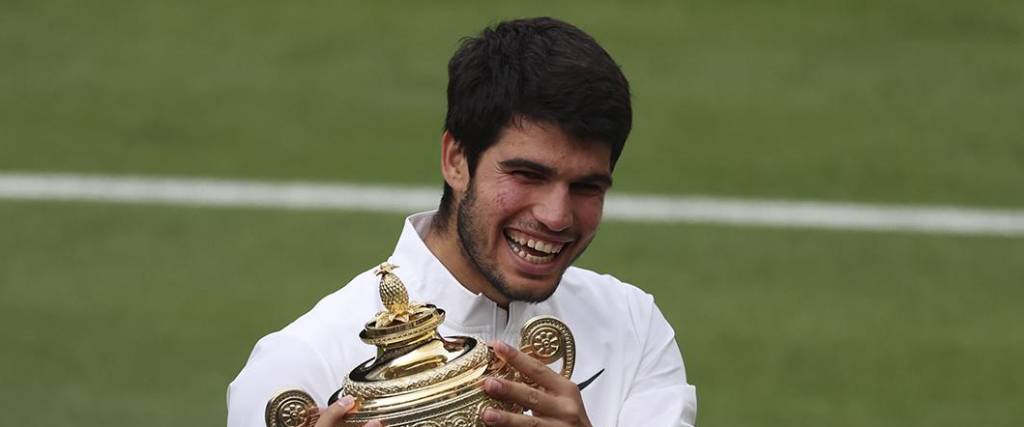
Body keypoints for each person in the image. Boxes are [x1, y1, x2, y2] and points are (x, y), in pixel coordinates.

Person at [228, 17, 697, 427]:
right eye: (527, 175)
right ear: (456, 160)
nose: (557, 216)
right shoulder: (300, 368)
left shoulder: (631, 327)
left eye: (587, 187)